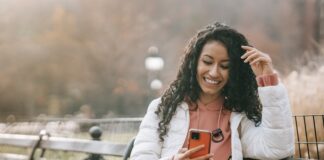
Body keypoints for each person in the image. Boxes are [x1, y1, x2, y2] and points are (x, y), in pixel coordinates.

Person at [130, 22, 294, 160]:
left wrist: (269, 82)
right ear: (194, 63)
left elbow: (278, 148)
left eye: (225, 66)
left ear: (234, 71)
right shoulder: (163, 108)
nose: (214, 72)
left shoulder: (238, 117)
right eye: (207, 62)